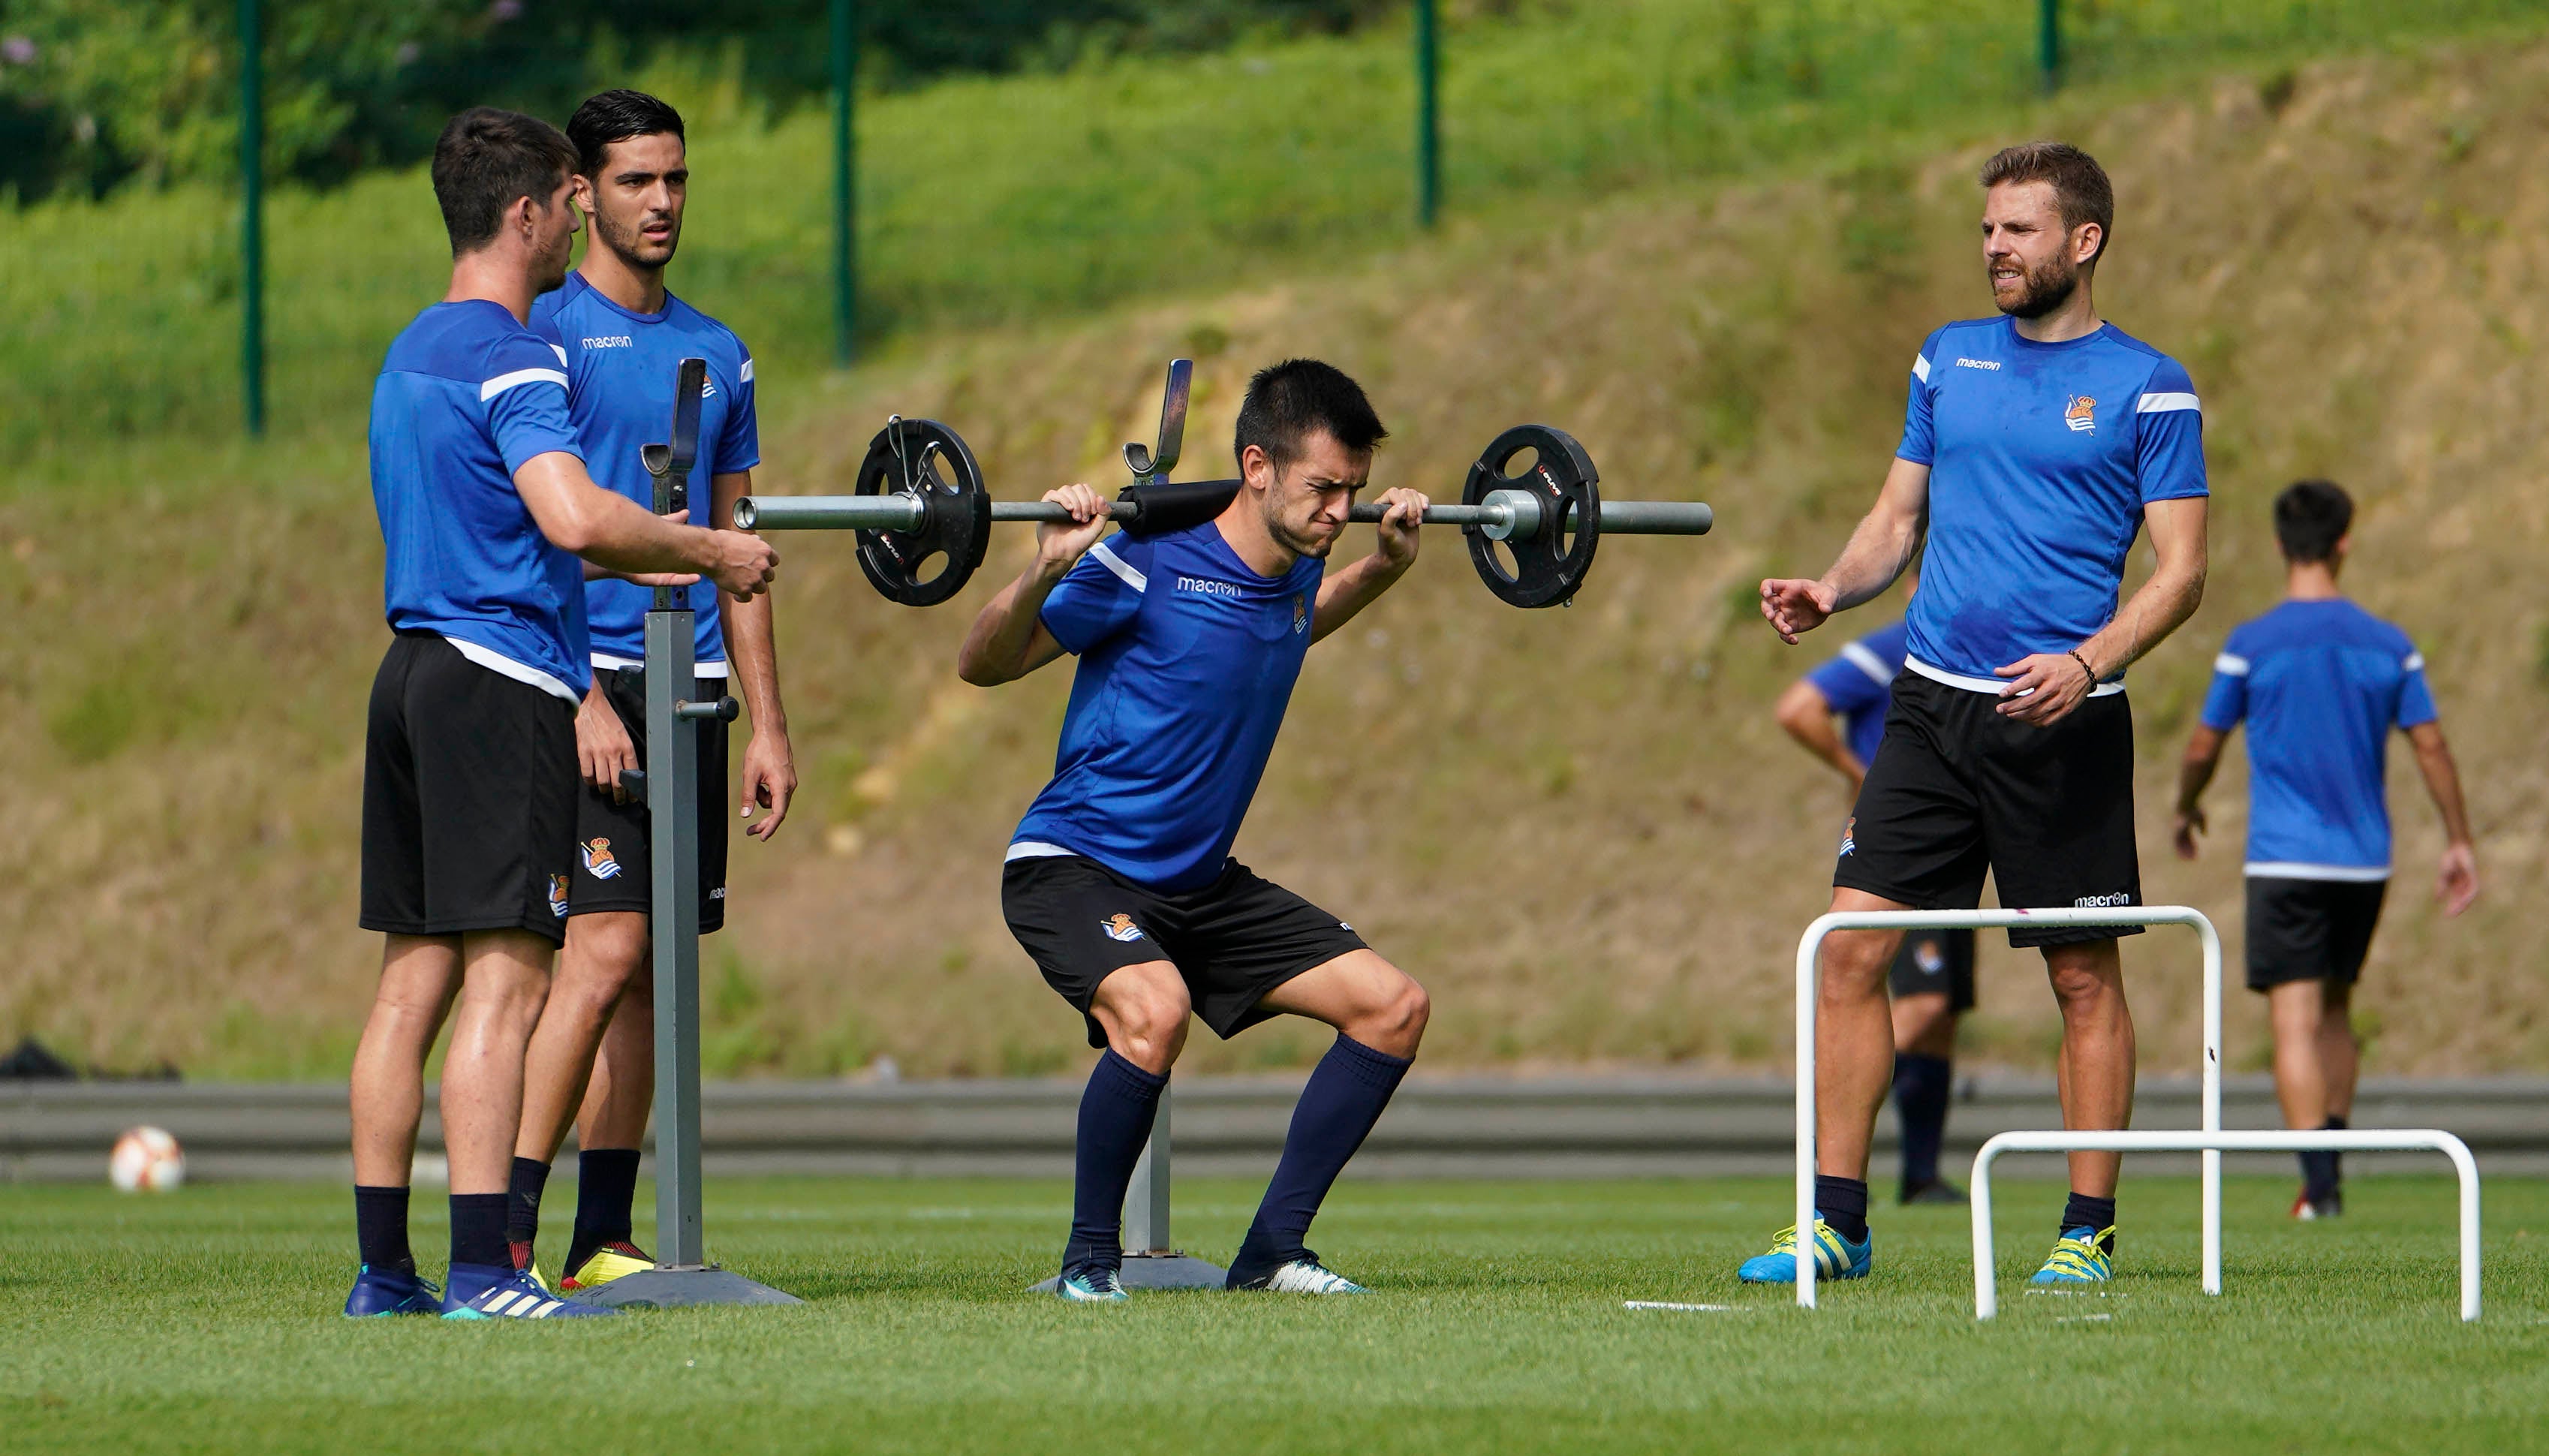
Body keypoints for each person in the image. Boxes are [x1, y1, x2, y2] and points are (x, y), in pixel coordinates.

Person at [343, 107, 778, 1319]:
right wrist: (702, 547)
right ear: (533, 210)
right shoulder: (516, 353)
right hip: (503, 685)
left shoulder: (409, 352)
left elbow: (492, 516)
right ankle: (489, 1268)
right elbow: (574, 516)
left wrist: (640, 560)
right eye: (568, 201)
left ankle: (387, 1275)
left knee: (405, 990)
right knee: (510, 986)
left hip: (412, 672)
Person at [1750, 141, 2209, 1288]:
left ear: (2083, 241)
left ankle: (2085, 1234)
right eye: (1989, 229)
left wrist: (2089, 660)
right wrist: (1832, 586)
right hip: (1929, 713)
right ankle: (1836, 1224)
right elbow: (1894, 520)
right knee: (1849, 954)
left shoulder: (2153, 385)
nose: (1995, 248)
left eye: (2020, 230)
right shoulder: (1947, 361)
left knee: (2082, 980)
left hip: (2065, 720)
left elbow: (2183, 569)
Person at [958, 359, 1432, 1301]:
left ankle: (1270, 1253)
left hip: (1199, 882)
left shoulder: (1299, 570)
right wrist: (1043, 566)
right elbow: (983, 663)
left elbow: (1295, 625)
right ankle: (1086, 1266)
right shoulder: (1143, 563)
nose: (1341, 511)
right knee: (1154, 1009)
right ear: (1256, 466)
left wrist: (1382, 564)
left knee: (1393, 1005)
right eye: (1324, 489)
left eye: (1353, 492)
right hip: (1075, 863)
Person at [505, 89, 798, 1295]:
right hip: (597, 687)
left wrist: (770, 719)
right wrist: (577, 693)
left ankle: (599, 1243)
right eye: (636, 181)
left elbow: (739, 548)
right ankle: (503, 1237)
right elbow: (539, 542)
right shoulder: (542, 334)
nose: (663, 202)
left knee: (654, 973)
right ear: (582, 192)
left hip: (698, 691)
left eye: (676, 178)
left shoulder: (719, 350)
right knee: (603, 953)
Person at [2171, 479, 2478, 1220]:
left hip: (2284, 856)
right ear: (2345, 541)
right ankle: (2327, 1177)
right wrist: (2459, 838)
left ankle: (2323, 1188)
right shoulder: (2389, 642)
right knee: (2338, 1008)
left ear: (2281, 544)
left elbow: (2205, 742)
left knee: (2296, 1018)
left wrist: (2188, 802)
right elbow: (2430, 743)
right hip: (2364, 857)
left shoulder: (2251, 643)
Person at [1773, 602, 1974, 1205]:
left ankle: (1920, 1175)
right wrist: (1858, 772)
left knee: (1942, 1015)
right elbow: (1799, 707)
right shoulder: (1900, 645)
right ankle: (1834, 1156)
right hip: (1906, 850)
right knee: (1920, 1001)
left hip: (1961, 839)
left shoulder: (1979, 643)